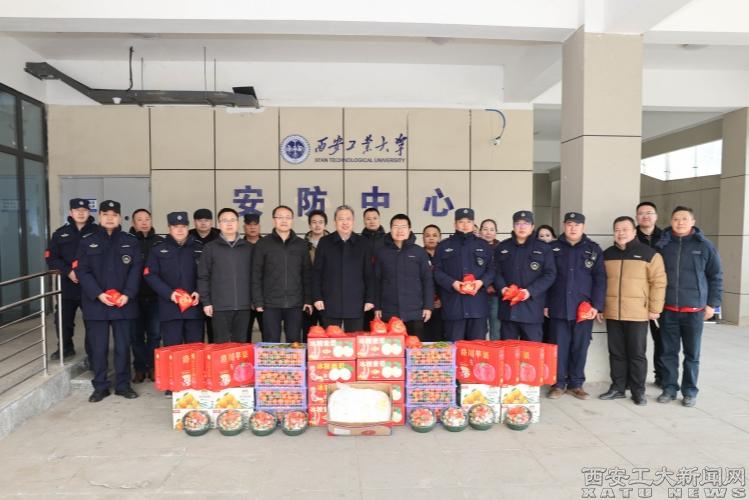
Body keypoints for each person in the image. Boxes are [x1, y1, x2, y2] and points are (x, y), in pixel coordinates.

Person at [74, 200, 142, 402]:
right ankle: (100, 386)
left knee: (123, 347)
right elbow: (82, 270)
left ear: (120, 217)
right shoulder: (87, 241)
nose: (110, 218)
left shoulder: (130, 241)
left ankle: (123, 385)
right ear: (99, 217)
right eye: (106, 214)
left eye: (114, 215)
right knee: (99, 348)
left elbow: (136, 270)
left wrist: (127, 294)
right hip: (97, 304)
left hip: (124, 303)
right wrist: (98, 294)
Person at [655, 206, 723, 408]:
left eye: (685, 219)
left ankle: (690, 391)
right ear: (671, 221)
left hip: (694, 311)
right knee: (668, 352)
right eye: (676, 219)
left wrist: (712, 305)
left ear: (693, 222)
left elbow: (716, 276)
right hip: (668, 310)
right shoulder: (663, 245)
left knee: (692, 355)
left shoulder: (705, 246)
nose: (680, 222)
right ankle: (669, 388)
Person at [598, 216, 666, 406]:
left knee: (637, 354)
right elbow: (600, 283)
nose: (621, 233)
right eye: (617, 230)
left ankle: (638, 391)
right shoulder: (607, 255)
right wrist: (600, 306)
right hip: (613, 312)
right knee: (616, 353)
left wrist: (655, 308)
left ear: (634, 232)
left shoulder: (649, 254)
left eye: (625, 229)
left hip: (638, 313)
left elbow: (659, 282)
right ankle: (618, 388)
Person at [546, 212, 606, 400]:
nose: (573, 228)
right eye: (569, 224)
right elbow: (546, 277)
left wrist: (597, 306)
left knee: (580, 347)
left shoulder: (593, 249)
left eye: (577, 225)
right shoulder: (552, 248)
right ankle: (558, 384)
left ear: (583, 227)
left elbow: (600, 279)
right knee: (559, 347)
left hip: (584, 309)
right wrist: (545, 304)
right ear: (564, 225)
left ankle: (576, 384)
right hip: (558, 306)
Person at [45, 198, 97, 361]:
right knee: (63, 320)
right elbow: (51, 258)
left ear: (89, 212)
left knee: (92, 322)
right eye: (77, 210)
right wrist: (68, 272)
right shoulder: (60, 233)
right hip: (68, 285)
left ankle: (92, 354)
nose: (81, 213)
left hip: (91, 285)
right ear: (71, 212)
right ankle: (66, 348)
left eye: (84, 210)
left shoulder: (98, 232)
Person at [143, 212, 204, 350]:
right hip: (170, 309)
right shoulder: (158, 249)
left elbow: (206, 274)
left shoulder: (199, 248)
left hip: (194, 308)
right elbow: (150, 274)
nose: (180, 230)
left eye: (183, 226)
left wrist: (199, 291)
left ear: (188, 227)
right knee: (173, 352)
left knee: (195, 352)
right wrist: (169, 293)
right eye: (176, 226)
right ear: (169, 228)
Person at [251, 205, 312, 343]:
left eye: (288, 217)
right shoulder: (263, 244)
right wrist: (258, 301)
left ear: (292, 220)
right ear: (274, 220)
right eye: (280, 217)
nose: (284, 221)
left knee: (294, 342)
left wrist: (308, 300)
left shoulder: (301, 244)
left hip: (295, 303)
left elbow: (307, 274)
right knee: (271, 342)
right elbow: (256, 274)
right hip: (270, 304)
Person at [433, 208, 494, 341]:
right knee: (455, 347)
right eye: (461, 221)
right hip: (454, 307)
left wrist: (481, 282)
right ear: (455, 224)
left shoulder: (484, 245)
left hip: (477, 307)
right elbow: (436, 272)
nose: (465, 225)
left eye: (469, 221)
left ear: (473, 224)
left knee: (477, 349)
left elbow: (492, 270)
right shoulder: (443, 246)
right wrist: (452, 283)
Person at [495, 211, 556, 342]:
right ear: (513, 226)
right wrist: (502, 288)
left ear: (532, 226)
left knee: (531, 352)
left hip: (532, 310)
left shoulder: (543, 248)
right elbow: (496, 272)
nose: (522, 227)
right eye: (518, 223)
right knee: (508, 352)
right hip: (508, 311)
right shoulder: (503, 247)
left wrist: (530, 291)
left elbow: (550, 274)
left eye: (526, 223)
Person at [312, 205, 375, 332]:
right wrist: (317, 297)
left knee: (354, 339)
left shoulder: (363, 243)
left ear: (353, 221)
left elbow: (369, 274)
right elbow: (317, 272)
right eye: (341, 219)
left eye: (348, 219)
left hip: (356, 302)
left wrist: (370, 299)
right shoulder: (325, 242)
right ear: (335, 222)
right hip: (330, 301)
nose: (345, 222)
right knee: (331, 339)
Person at [197, 208, 253, 343]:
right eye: (225, 220)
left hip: (244, 306)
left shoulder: (249, 248)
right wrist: (206, 302)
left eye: (232, 220)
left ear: (238, 223)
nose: (229, 223)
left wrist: (254, 300)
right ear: (219, 224)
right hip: (219, 307)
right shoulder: (210, 248)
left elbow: (255, 277)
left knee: (240, 345)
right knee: (220, 346)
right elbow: (203, 276)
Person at [374, 214, 434, 339]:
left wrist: (428, 306)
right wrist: (377, 307)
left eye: (403, 227)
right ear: (391, 229)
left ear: (409, 229)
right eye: (396, 226)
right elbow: (376, 281)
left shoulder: (419, 252)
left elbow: (427, 281)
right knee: (391, 348)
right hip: (389, 312)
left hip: (415, 312)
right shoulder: (382, 253)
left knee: (414, 347)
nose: (400, 230)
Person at [128, 208, 163, 383]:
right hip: (133, 298)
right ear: (133, 223)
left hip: (156, 297)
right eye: (139, 219)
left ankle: (154, 367)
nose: (144, 222)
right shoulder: (127, 242)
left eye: (147, 219)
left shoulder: (160, 242)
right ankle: (140, 368)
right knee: (136, 335)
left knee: (155, 334)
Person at [636, 201, 665, 387]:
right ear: (636, 217)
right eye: (641, 213)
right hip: (635, 297)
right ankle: (634, 378)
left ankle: (661, 376)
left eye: (649, 212)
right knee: (636, 342)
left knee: (661, 340)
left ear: (656, 216)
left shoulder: (666, 237)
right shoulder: (630, 237)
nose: (645, 216)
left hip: (658, 297)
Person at [190, 208, 220, 342]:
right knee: (196, 334)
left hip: (214, 290)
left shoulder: (220, 236)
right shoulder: (188, 236)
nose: (203, 223)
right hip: (193, 291)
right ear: (194, 222)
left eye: (206, 220)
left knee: (215, 332)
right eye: (199, 220)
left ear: (211, 222)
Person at [303, 209, 329, 336]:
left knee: (328, 332)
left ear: (325, 224)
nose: (317, 225)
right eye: (314, 222)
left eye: (320, 222)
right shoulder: (302, 245)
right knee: (308, 332)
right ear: (309, 225)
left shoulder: (332, 243)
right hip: (308, 294)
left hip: (327, 295)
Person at [361, 207, 386, 330]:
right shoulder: (359, 240)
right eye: (368, 219)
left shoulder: (388, 239)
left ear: (379, 219)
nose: (372, 221)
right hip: (364, 286)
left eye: (375, 218)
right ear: (364, 221)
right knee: (365, 328)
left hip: (384, 284)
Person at [421, 224, 444, 341]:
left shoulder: (446, 256)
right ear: (423, 238)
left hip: (443, 305)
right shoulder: (418, 255)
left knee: (441, 340)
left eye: (435, 235)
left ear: (440, 238)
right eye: (427, 235)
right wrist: (428, 301)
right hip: (422, 306)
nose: (431, 238)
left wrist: (441, 299)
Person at [479, 218, 501, 340]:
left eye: (492, 229)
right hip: (478, 293)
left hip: (496, 294)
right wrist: (485, 285)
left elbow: (502, 271)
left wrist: (494, 286)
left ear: (496, 232)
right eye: (485, 229)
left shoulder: (501, 248)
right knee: (479, 329)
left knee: (495, 328)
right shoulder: (474, 247)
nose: (488, 232)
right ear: (480, 231)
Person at [243, 213, 263, 341]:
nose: (252, 227)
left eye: (255, 224)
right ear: (244, 227)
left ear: (260, 226)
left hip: (264, 299)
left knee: (268, 335)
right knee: (244, 336)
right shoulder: (239, 246)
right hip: (244, 299)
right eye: (249, 224)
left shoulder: (267, 244)